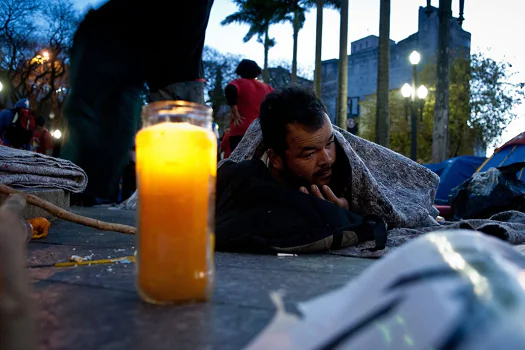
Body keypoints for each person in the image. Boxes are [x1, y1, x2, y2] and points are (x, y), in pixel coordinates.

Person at [61, 0, 214, 201]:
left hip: (140, 58)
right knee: (90, 117)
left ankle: (93, 192)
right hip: (109, 37)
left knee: (118, 124)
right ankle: (72, 189)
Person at [215, 86, 386, 254]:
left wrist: (346, 210)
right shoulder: (249, 185)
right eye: (310, 154)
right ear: (275, 159)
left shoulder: (345, 162)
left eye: (329, 143)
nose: (326, 159)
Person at [224, 59, 273, 153]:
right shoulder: (267, 88)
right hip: (260, 131)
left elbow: (230, 90)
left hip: (240, 129)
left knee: (238, 161)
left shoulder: (238, 82)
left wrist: (235, 113)